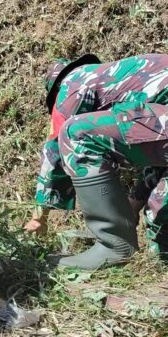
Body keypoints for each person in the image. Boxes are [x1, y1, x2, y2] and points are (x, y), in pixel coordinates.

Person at [27, 53, 168, 269]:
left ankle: (115, 247)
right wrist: (134, 203)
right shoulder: (133, 78)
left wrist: (39, 216)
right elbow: (158, 151)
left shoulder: (73, 83)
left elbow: (54, 150)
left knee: (76, 133)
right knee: (159, 219)